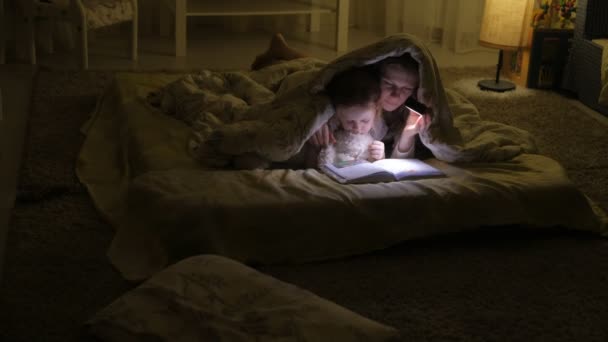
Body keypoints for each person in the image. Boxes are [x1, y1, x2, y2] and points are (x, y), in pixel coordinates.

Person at [252, 34, 432, 159]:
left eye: (406, 88)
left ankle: (286, 51)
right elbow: (321, 90)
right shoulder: (361, 87)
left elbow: (403, 163)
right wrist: (318, 118)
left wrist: (408, 134)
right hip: (306, 77)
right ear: (377, 79)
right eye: (389, 84)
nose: (396, 95)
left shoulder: (410, 106)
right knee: (298, 71)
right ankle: (282, 52)